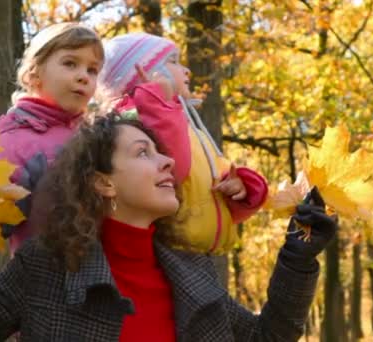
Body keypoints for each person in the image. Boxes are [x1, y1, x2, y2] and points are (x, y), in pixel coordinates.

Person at [0, 114, 337, 341]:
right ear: (103, 181)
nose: (168, 162)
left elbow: (270, 336)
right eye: (143, 153)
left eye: (161, 153)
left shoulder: (194, 272)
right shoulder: (43, 269)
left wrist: (297, 260)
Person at [98, 33, 268, 254]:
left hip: (203, 250)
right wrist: (156, 100)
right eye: (173, 62)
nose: (187, 70)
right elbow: (175, 170)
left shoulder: (188, 128)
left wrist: (241, 187)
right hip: (170, 249)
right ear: (144, 73)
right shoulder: (132, 123)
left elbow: (209, 183)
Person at [0, 22, 104, 252]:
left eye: (92, 70)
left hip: (103, 269)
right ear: (35, 73)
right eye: (70, 63)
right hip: (44, 271)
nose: (84, 76)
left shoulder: (94, 134)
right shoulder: (14, 139)